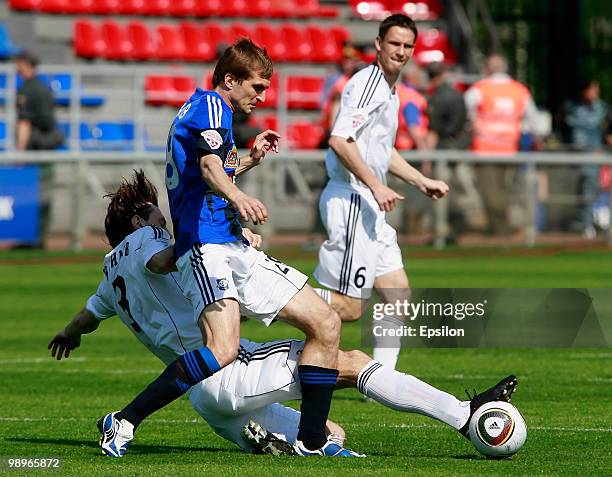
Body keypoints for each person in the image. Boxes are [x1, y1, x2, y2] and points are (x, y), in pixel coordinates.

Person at [48, 173, 518, 456]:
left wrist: (69, 335)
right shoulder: (144, 242)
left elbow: (86, 316)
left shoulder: (106, 278)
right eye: (155, 212)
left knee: (332, 431)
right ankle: (464, 415)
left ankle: (276, 441)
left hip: (204, 397)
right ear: (137, 220)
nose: (162, 218)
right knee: (348, 360)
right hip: (225, 367)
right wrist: (211, 242)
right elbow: (159, 259)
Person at [94, 40, 345, 458]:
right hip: (208, 247)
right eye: (258, 87)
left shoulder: (205, 111)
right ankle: (123, 421)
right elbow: (211, 170)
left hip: (228, 242)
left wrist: (249, 161)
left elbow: (208, 168)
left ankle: (312, 442)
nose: (262, 97)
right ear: (230, 80)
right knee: (223, 350)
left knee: (326, 323)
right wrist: (240, 197)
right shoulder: (213, 107)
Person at [313, 14, 449, 371]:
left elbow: (380, 150)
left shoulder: (389, 90)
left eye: (407, 46)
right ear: (378, 44)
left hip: (369, 203)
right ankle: (264, 295)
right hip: (354, 199)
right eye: (394, 44)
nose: (400, 51)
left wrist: (421, 180)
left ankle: (381, 382)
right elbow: (340, 140)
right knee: (349, 307)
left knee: (397, 295)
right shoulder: (370, 85)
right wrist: (376, 185)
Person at [464, 53, 539, 235]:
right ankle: (501, 228)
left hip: (485, 150)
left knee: (491, 193)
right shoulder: (519, 90)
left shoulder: (479, 89)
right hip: (510, 150)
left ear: (488, 68)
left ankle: (500, 231)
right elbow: (534, 122)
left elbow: (467, 114)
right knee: (503, 191)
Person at [426, 62, 485, 233]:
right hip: (460, 148)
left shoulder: (437, 97)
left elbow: (433, 131)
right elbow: (470, 124)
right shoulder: (459, 94)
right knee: (467, 188)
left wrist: (426, 159)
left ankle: (442, 229)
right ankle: (478, 223)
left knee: (440, 191)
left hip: (443, 150)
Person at [15, 50, 64, 247]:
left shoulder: (27, 89)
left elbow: (25, 122)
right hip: (48, 146)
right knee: (45, 192)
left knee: (33, 192)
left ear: (25, 63)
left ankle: (33, 238)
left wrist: (19, 152)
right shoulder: (44, 87)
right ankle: (40, 236)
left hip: (35, 147)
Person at [564, 78, 612, 238]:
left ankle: (598, 222)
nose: (595, 93)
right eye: (592, 89)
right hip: (578, 155)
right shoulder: (573, 109)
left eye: (596, 89)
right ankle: (585, 224)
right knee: (584, 190)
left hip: (599, 156)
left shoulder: (604, 109)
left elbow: (608, 132)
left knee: (598, 189)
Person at [319, 43, 363, 148]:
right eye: (346, 60)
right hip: (335, 130)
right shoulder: (337, 81)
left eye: (351, 60)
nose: (348, 63)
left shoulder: (358, 80)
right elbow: (332, 106)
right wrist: (333, 132)